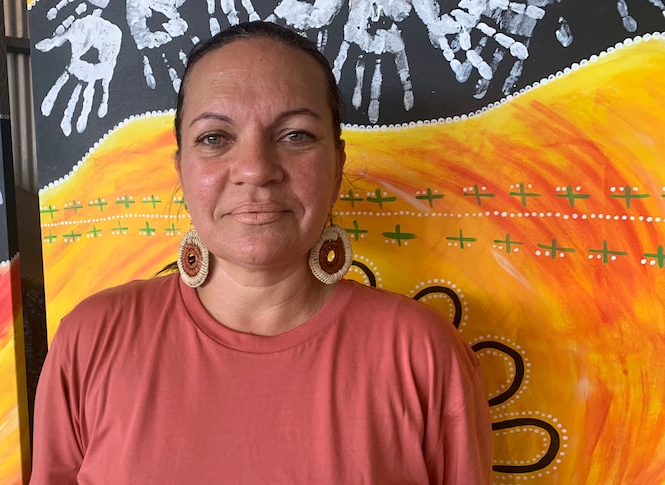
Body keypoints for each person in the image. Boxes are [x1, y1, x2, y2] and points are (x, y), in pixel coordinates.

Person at [30, 21, 492, 484]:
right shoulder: (91, 341)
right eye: (215, 138)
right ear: (181, 168)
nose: (255, 169)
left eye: (295, 136)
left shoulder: (424, 356)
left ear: (337, 166)